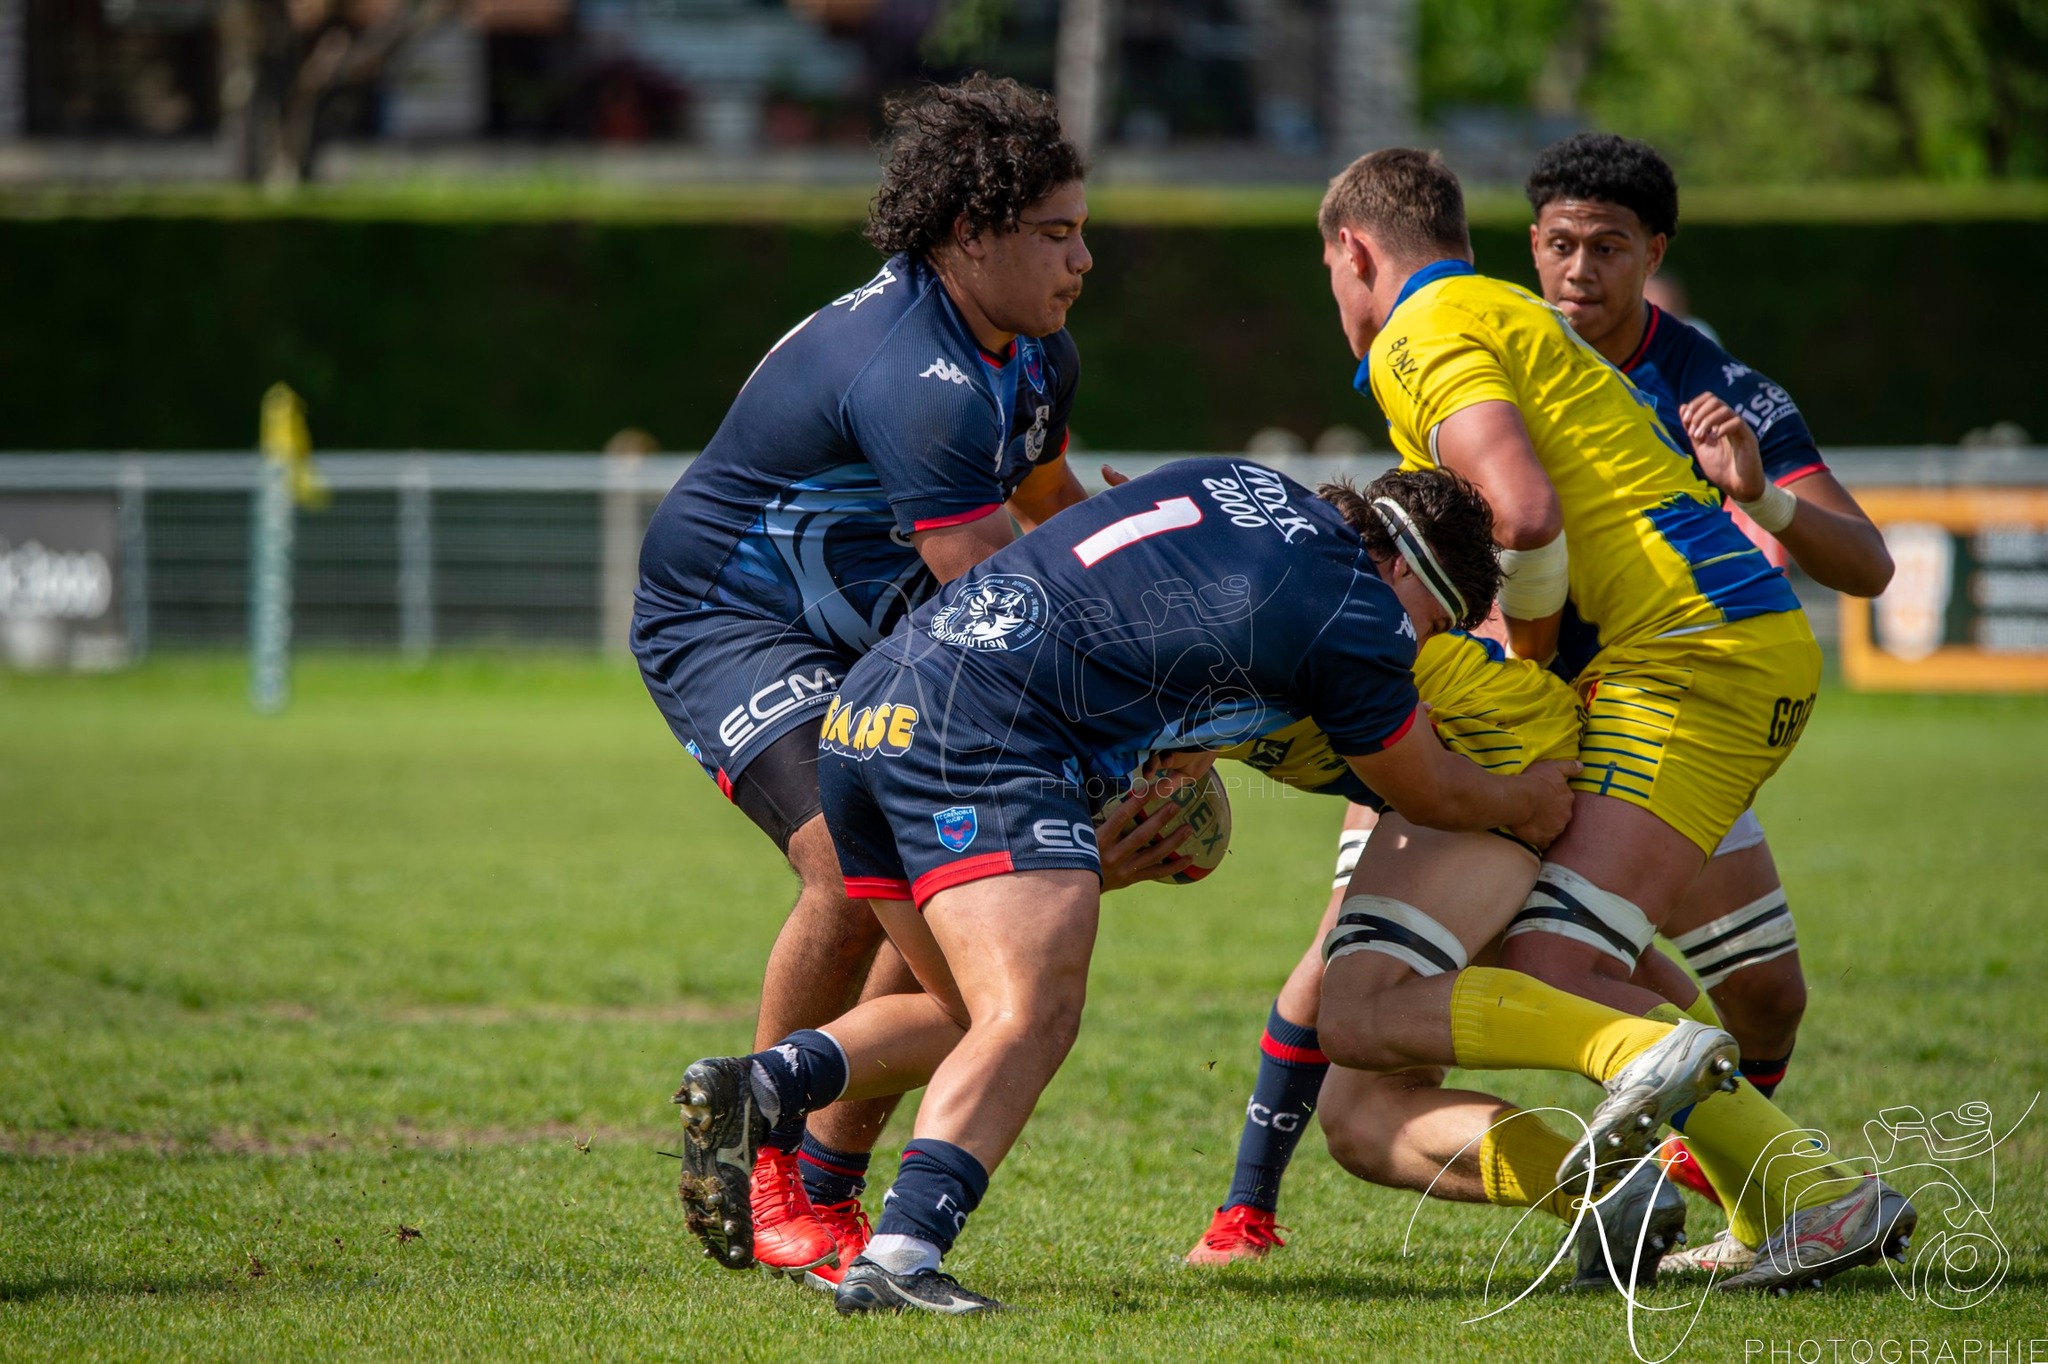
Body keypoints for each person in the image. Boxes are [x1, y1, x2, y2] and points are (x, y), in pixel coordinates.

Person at [1187, 134, 1900, 1276]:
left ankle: (1801, 1196)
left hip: (1687, 658)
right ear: (1512, 248)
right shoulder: (1499, 313)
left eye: (1330, 273)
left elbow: (1517, 514)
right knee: (1570, 960)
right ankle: (1784, 1195)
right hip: (1677, 656)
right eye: (1558, 244)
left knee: (1546, 966)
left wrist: (1516, 663)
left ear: (1354, 251)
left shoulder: (1425, 332)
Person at [674, 459, 1581, 1313]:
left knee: (963, 1014)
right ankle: (904, 1256)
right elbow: (1420, 785)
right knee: (1030, 1016)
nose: (1415, 651)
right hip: (989, 733)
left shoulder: (1242, 482)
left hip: (873, 708)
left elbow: (1164, 597)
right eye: (1431, 627)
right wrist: (1523, 799)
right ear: (1414, 579)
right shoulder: (1360, 606)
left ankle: (759, 1085)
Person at [633, 73, 1189, 1286]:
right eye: (1055, 233)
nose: (1082, 258)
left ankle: (823, 1185)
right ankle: (763, 1161)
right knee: (845, 853)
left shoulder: (1034, 353)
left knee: (929, 864)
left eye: (1080, 228)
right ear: (967, 236)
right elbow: (998, 591)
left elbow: (1045, 515)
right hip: (727, 620)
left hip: (869, 628)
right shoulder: (914, 374)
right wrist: (1142, 721)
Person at [1523, 132, 1896, 1270]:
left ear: (1654, 253)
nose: (1575, 271)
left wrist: (1765, 503)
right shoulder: (1497, 361)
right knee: (1383, 969)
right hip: (1526, 717)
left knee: (1766, 999)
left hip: (1663, 711)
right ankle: (1246, 1209)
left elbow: (1867, 564)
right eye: (1555, 245)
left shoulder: (1715, 388)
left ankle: (1720, 1195)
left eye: (1605, 247)